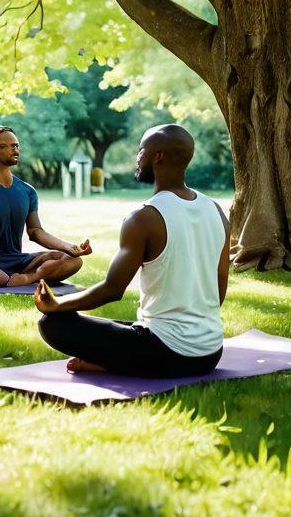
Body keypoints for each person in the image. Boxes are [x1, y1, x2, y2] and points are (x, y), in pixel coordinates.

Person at [34, 124, 230, 377]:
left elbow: (112, 290)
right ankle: (119, 359)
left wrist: (57, 304)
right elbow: (220, 287)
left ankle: (113, 363)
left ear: (157, 156)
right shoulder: (215, 211)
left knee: (53, 324)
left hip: (165, 354)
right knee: (125, 327)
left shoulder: (144, 217)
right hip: (210, 353)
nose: (137, 158)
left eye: (141, 151)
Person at [0, 126, 91, 286]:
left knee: (72, 261)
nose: (15, 150)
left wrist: (69, 247)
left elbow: (35, 232)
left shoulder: (27, 190)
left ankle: (26, 279)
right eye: (7, 146)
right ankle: (9, 280)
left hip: (18, 261)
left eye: (16, 146)